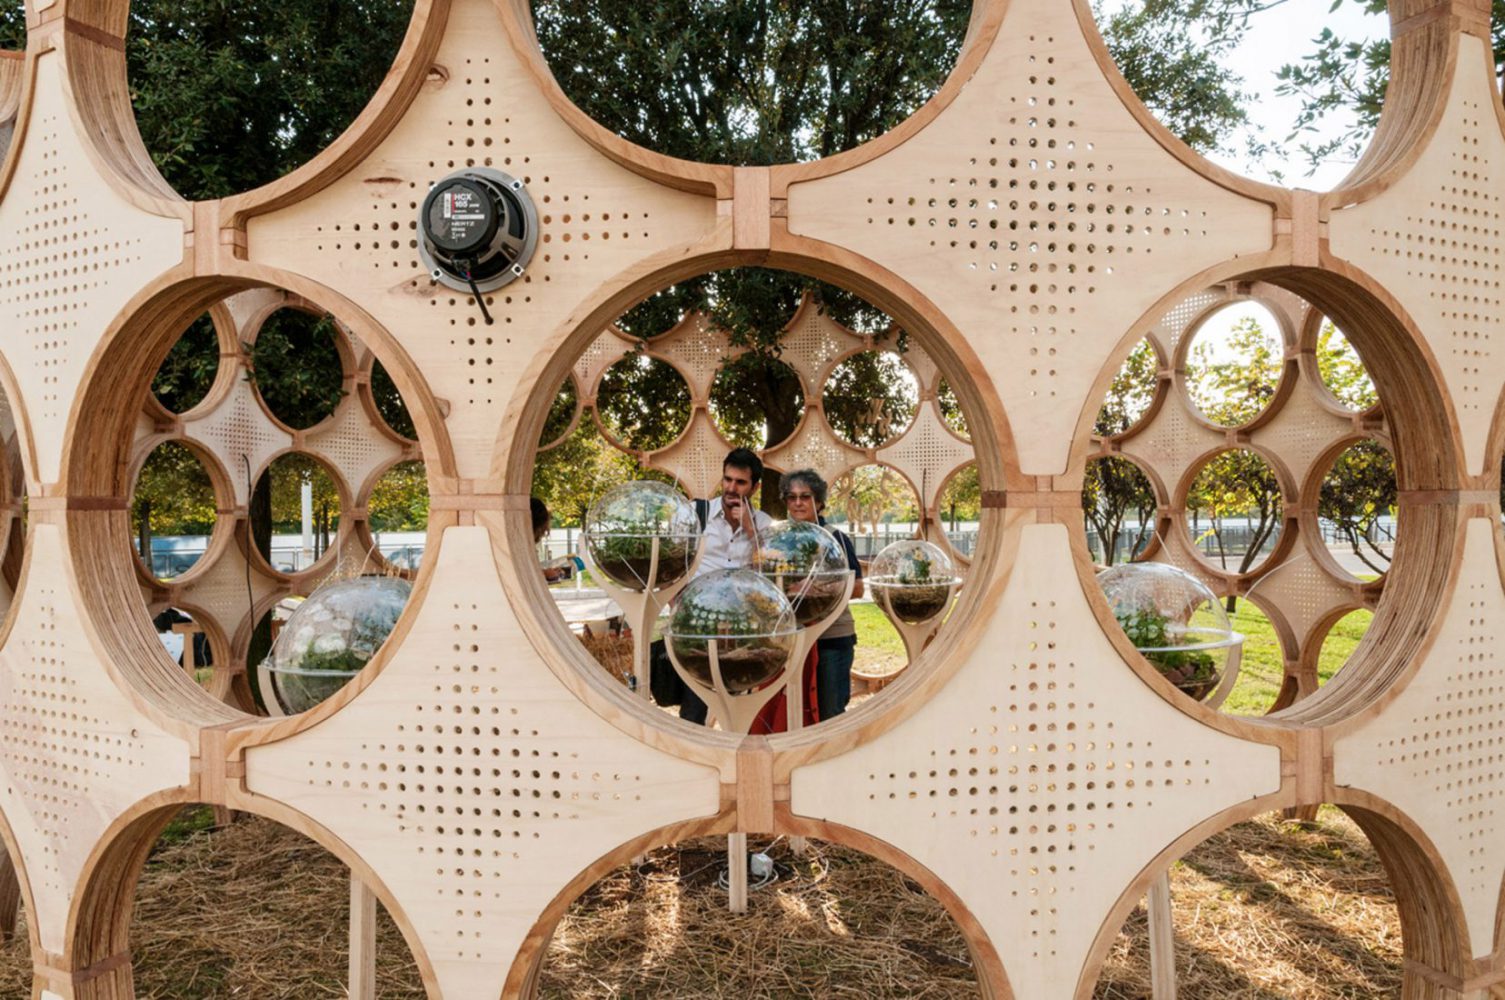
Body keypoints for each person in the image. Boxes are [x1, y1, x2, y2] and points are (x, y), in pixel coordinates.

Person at [672, 447, 773, 724]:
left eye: (740, 482)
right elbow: (673, 562)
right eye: (728, 479)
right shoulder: (697, 513)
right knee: (694, 709)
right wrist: (676, 604)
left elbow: (770, 573)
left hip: (744, 631)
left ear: (754, 487)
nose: (731, 488)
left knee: (740, 711)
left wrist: (751, 531)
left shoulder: (764, 524)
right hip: (699, 626)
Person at [780, 468, 862, 720]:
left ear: (819, 502)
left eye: (805, 496)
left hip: (832, 640)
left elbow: (858, 588)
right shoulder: (782, 540)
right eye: (792, 497)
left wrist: (819, 587)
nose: (798, 503)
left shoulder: (836, 538)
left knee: (830, 714)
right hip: (792, 641)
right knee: (796, 715)